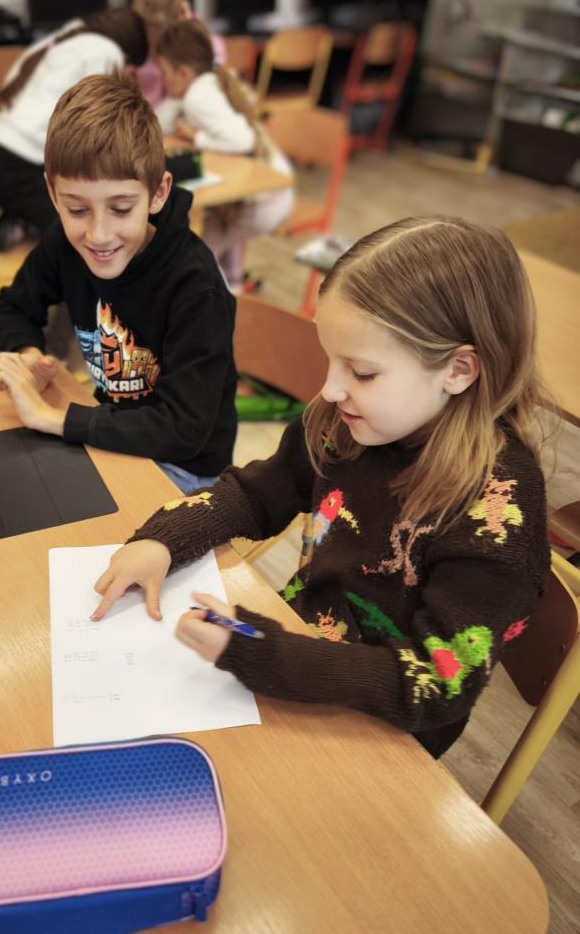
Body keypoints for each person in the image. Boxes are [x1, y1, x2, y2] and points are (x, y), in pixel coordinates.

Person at [91, 217, 551, 758]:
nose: (330, 389)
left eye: (362, 372)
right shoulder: (348, 421)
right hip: (297, 645)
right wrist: (163, 540)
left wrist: (268, 656)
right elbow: (260, 491)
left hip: (384, 732)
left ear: (458, 370)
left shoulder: (499, 516)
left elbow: (435, 685)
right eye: (331, 360)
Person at [0, 73, 237, 496]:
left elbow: (184, 429)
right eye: (77, 209)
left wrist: (55, 418)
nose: (98, 234)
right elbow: (13, 307)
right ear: (52, 192)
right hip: (113, 437)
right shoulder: (67, 244)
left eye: (121, 209)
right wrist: (30, 358)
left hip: (185, 469)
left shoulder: (195, 286)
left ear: (158, 192)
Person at [0, 8, 148, 247]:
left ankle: (23, 220)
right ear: (128, 54)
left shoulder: (62, 39)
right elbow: (102, 130)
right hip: (24, 170)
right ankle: (31, 221)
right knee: (97, 233)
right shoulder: (106, 52)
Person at [154, 20, 294, 292]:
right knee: (211, 227)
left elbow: (244, 139)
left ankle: (224, 305)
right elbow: (160, 123)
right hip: (271, 194)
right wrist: (176, 101)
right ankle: (234, 287)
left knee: (194, 248)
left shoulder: (198, 95)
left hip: (264, 200)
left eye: (165, 73)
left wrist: (197, 138)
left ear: (183, 72)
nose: (163, 81)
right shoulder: (210, 81)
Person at [131, 0, 225, 107]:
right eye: (144, 26)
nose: (149, 37)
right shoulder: (134, 55)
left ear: (177, 21)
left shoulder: (208, 47)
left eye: (155, 28)